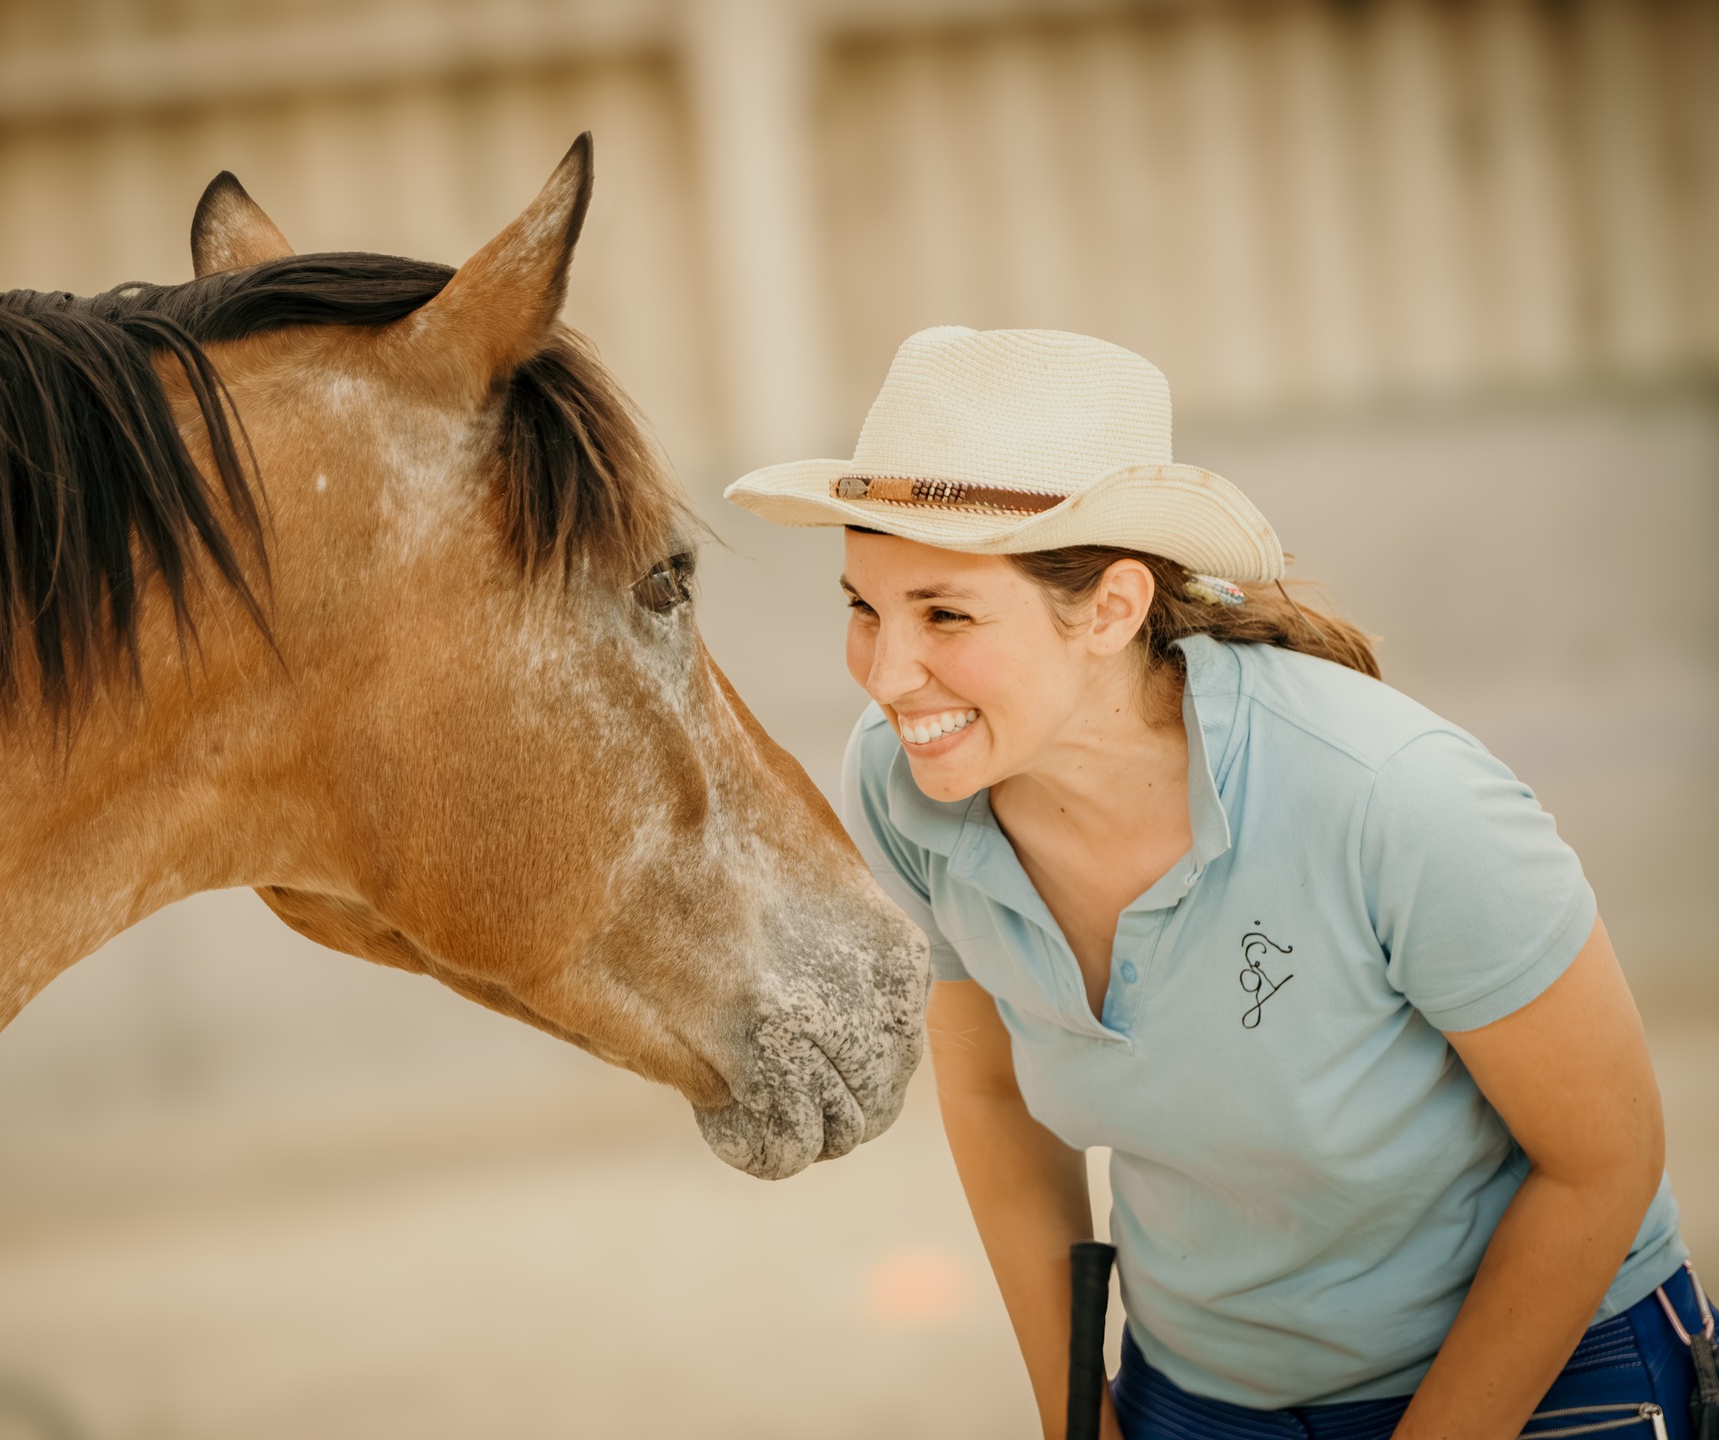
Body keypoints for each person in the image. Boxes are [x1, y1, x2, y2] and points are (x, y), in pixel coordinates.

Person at [726, 328, 1712, 1440]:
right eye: (863, 605)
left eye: (945, 613)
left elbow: (1605, 1156)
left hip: (1555, 1380)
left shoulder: (1391, 797)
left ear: (1112, 608)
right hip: (1196, 1400)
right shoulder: (904, 784)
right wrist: (1077, 1418)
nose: (885, 672)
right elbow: (995, 1100)